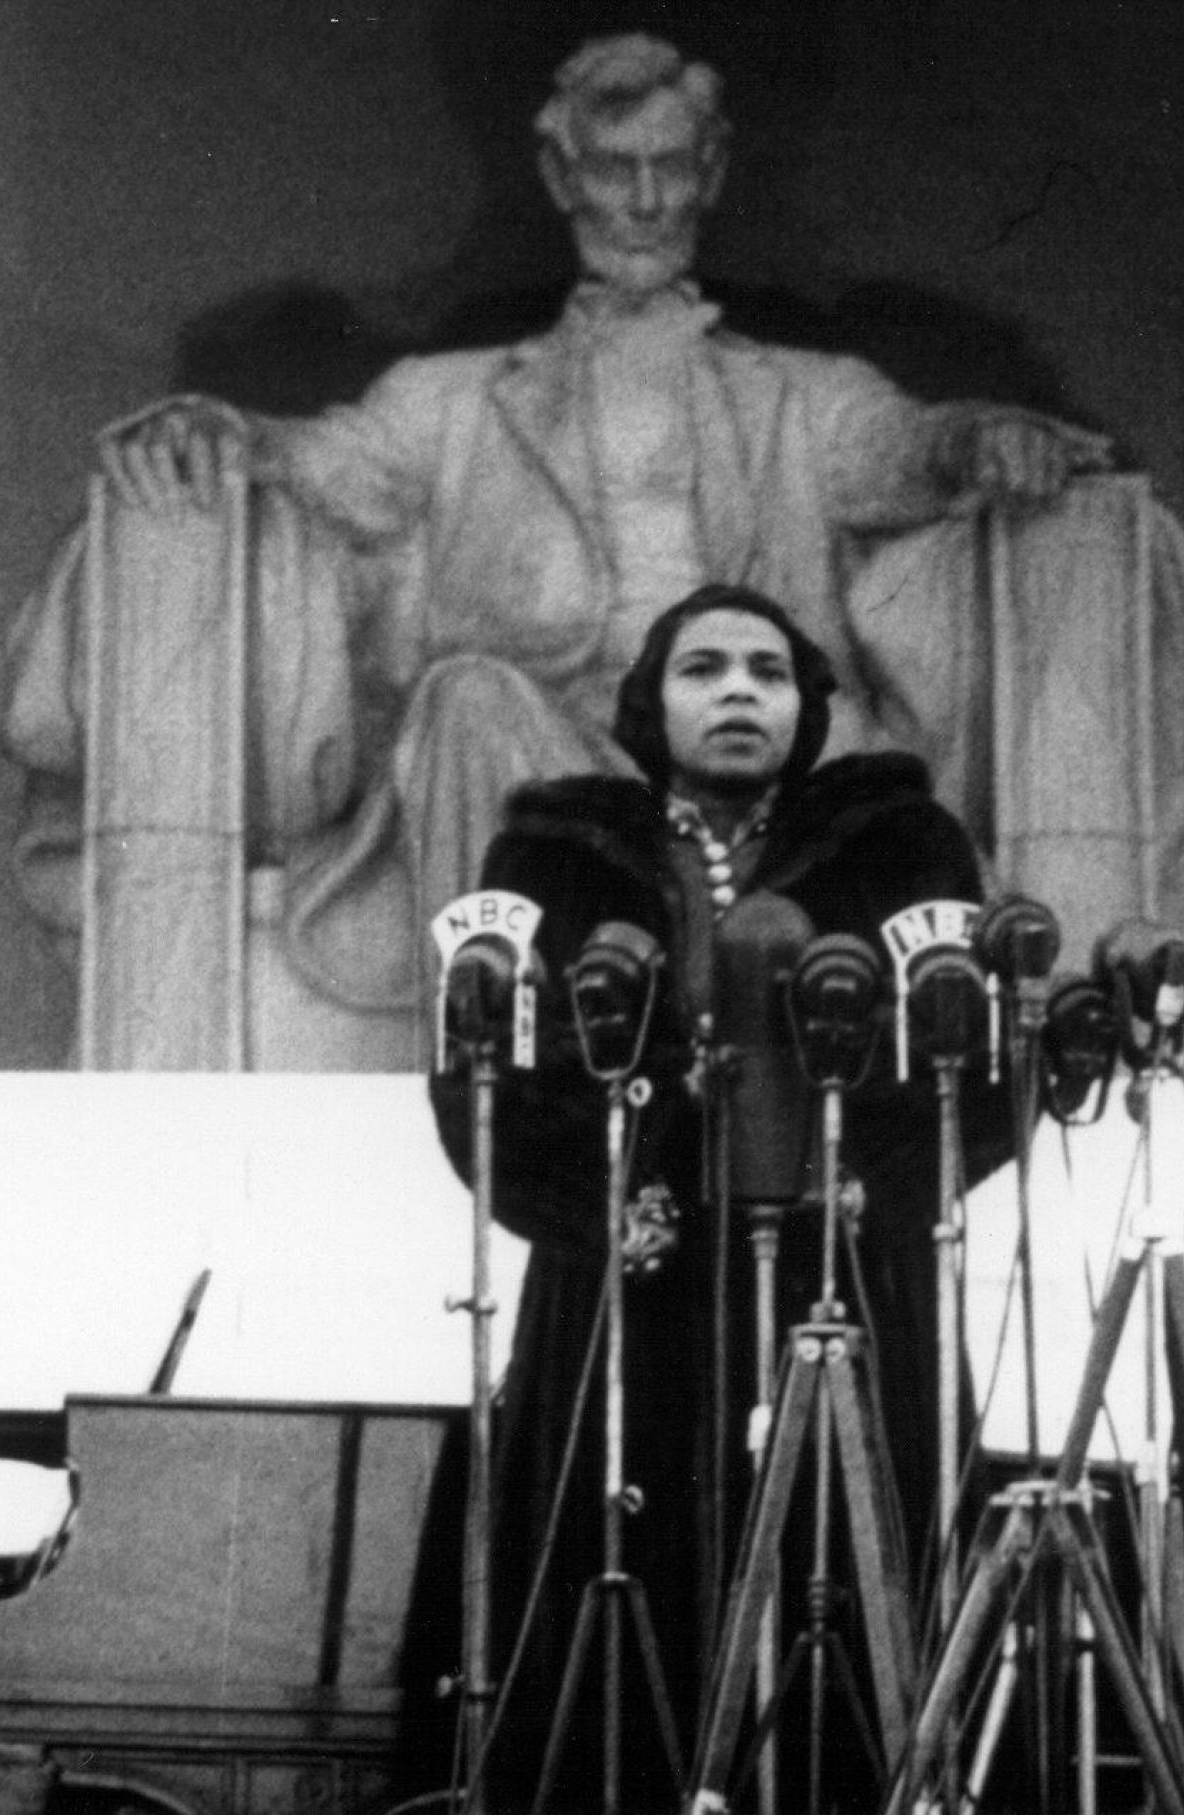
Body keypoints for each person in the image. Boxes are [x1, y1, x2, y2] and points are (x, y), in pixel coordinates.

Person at [4, 31, 1109, 1061]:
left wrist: (983, 434)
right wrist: (235, 432)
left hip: (763, 760)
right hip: (546, 750)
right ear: (560, 175)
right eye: (614, 167)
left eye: (670, 169)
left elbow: (905, 450)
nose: (641, 201)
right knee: (467, 698)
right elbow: (341, 463)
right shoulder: (450, 401)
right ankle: (513, 1056)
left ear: (711, 174)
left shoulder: (800, 399)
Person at [428, 584, 1016, 1809]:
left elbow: (980, 1072)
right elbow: (479, 1072)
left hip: (845, 1289)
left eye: (767, 669)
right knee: (617, 1570)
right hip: (626, 1298)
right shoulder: (553, 851)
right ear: (652, 706)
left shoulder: (901, 843)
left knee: (843, 1571)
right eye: (703, 669)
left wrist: (864, 1188)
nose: (739, 690)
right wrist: (604, 1209)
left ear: (806, 707)